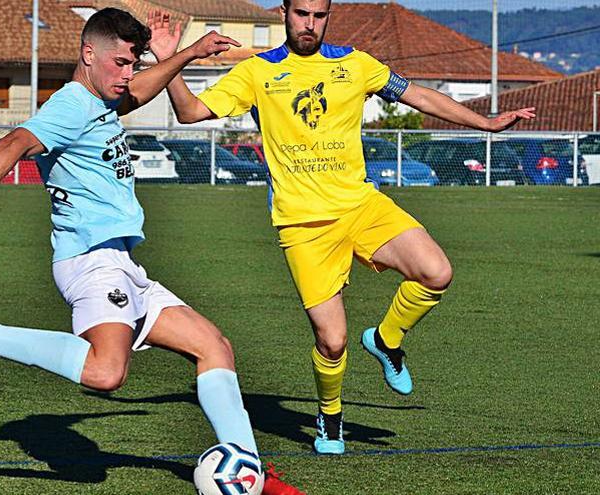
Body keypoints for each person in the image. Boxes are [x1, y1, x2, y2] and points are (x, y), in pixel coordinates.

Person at [0, 8, 304, 494]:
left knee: (214, 347)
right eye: (121, 63)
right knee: (106, 373)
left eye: (133, 63)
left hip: (124, 265)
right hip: (90, 262)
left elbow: (143, 90)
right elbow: (15, 142)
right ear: (89, 55)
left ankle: (249, 469)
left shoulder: (101, 101)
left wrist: (187, 54)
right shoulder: (70, 106)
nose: (127, 74)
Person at [150, 0, 536, 455]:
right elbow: (191, 112)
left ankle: (387, 341)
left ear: (328, 16)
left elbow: (420, 96)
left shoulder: (356, 65)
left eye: (318, 15)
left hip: (361, 205)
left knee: (436, 271)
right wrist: (171, 59)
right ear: (284, 14)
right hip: (303, 224)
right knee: (331, 343)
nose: (309, 23)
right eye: (301, 14)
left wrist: (485, 123)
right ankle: (329, 418)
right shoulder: (257, 72)